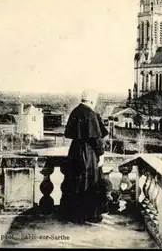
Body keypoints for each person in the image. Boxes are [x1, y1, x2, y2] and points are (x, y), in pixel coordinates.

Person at [60, 89, 109, 224]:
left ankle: (73, 215)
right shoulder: (90, 113)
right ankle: (89, 215)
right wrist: (101, 154)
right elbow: (96, 138)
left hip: (75, 151)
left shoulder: (76, 111)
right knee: (89, 183)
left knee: (74, 183)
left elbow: (69, 133)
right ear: (92, 101)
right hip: (88, 153)